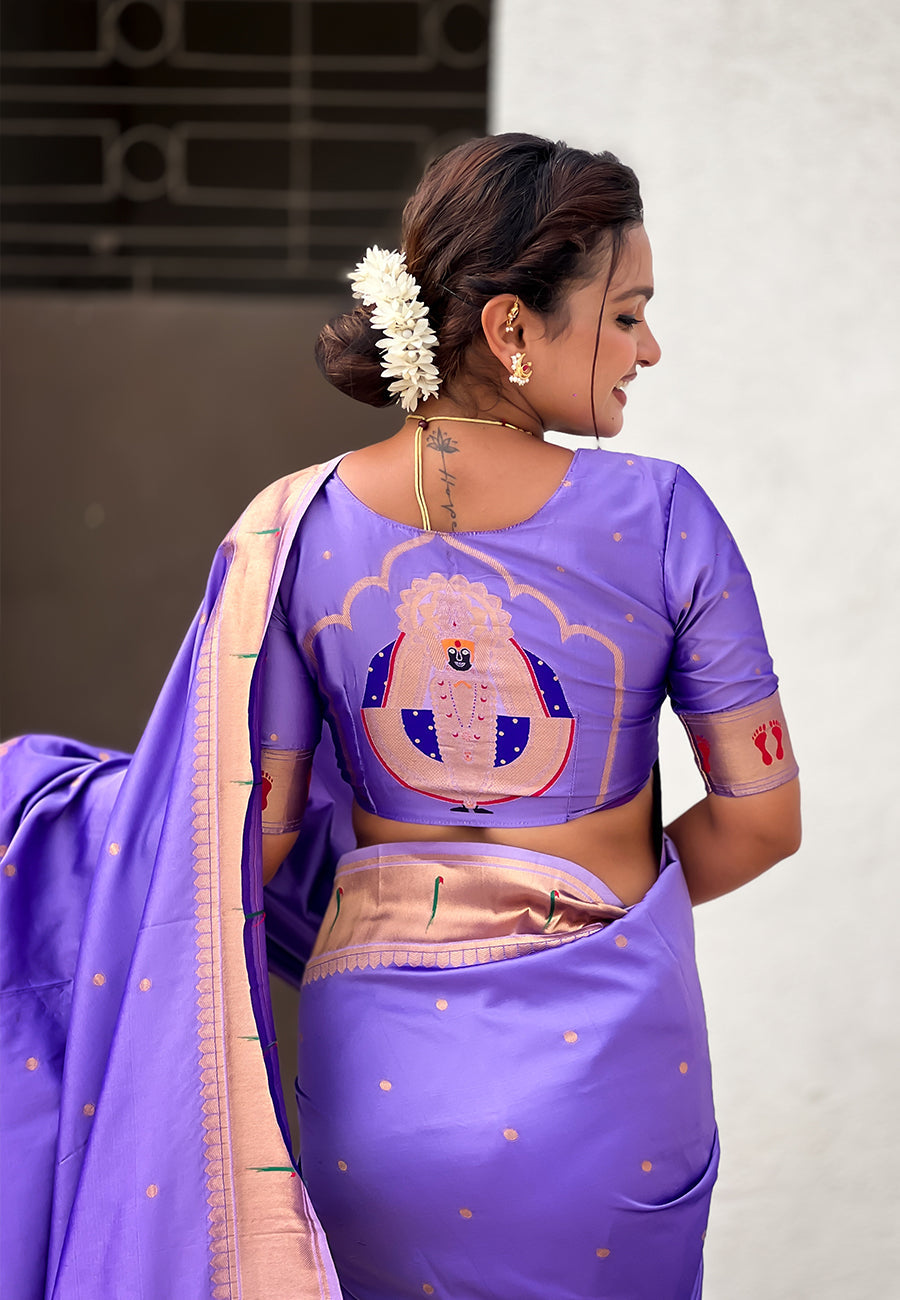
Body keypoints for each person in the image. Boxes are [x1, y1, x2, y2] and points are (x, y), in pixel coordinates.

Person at [0, 133, 799, 1300]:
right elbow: (762, 820)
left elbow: (253, 840)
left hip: (379, 1079)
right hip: (610, 1074)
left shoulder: (289, 529)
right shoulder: (666, 516)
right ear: (513, 327)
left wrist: (79, 829)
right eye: (627, 315)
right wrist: (602, 912)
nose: (648, 349)